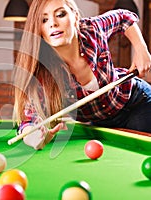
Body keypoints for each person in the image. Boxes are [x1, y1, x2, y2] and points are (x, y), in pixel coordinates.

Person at [12, 0, 151, 150]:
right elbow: (28, 119)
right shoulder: (43, 71)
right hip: (99, 125)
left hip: (137, 102)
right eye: (44, 20)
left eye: (60, 14)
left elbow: (124, 17)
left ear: (75, 16)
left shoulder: (92, 30)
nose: (53, 23)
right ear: (39, 30)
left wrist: (141, 49)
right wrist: (34, 137)